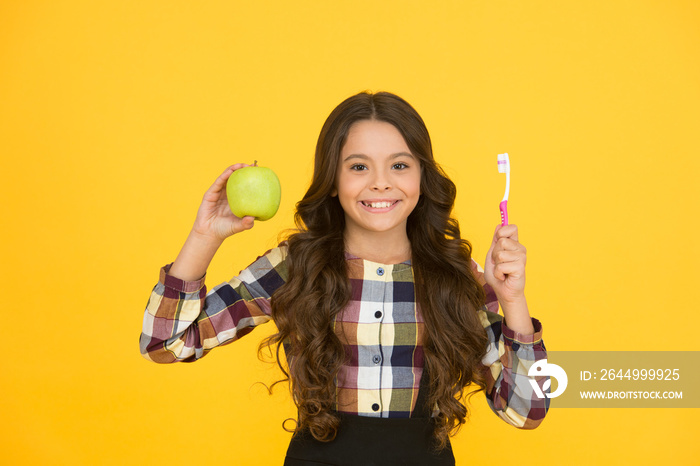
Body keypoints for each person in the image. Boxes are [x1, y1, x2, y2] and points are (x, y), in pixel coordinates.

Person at [139, 91, 548, 465]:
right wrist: (204, 236)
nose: (381, 182)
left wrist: (512, 300)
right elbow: (165, 344)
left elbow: (528, 410)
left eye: (400, 165)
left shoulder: (458, 278)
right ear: (332, 181)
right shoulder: (294, 266)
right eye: (358, 166)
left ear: (422, 177)